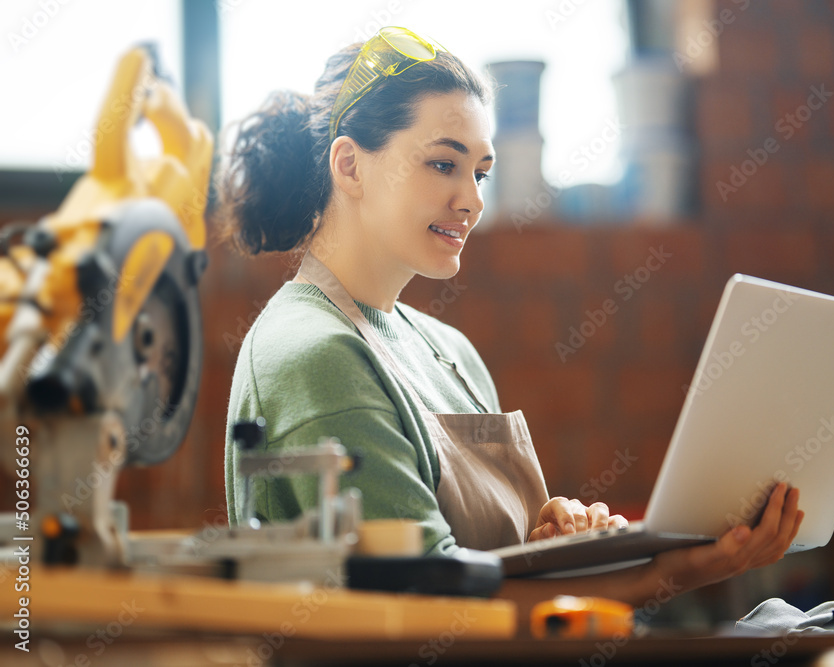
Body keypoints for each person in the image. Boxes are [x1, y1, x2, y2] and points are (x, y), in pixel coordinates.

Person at [215, 26, 803, 628]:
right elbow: (428, 604)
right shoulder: (315, 354)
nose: (471, 200)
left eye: (481, 173)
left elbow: (496, 569)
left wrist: (553, 538)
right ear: (349, 165)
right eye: (444, 163)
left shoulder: (450, 352)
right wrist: (671, 574)